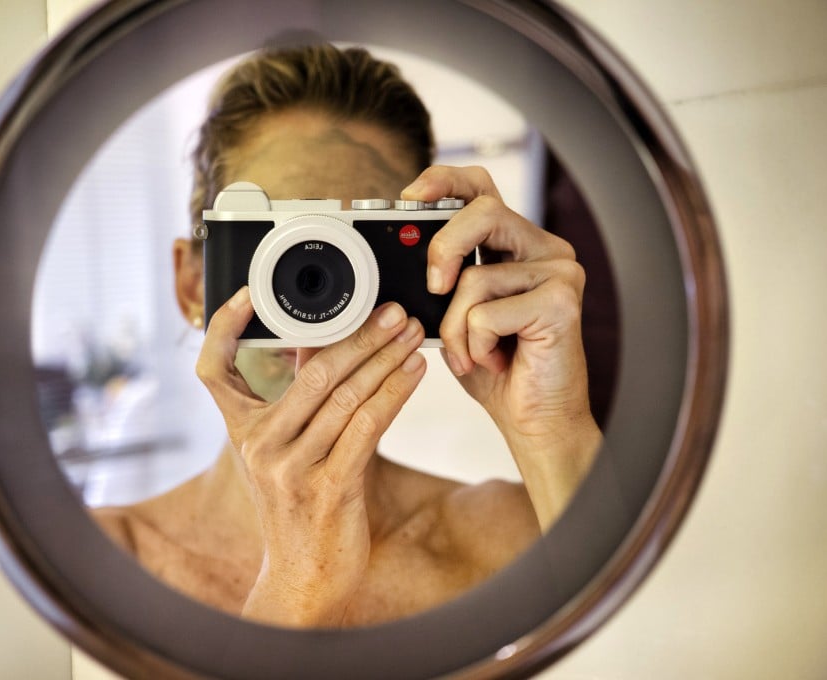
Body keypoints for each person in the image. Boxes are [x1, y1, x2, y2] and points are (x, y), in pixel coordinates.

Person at [95, 43, 602, 628]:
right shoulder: (101, 566)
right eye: (279, 246)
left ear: (438, 264)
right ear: (193, 286)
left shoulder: (523, 536)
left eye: (355, 248)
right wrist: (296, 589)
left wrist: (555, 434)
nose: (317, 304)